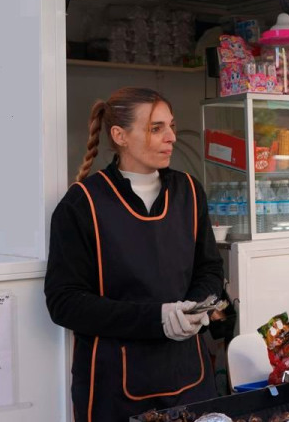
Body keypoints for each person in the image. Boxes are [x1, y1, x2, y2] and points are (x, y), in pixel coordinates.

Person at [45, 87, 230, 422]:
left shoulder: (189, 191)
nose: (172, 137)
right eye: (156, 128)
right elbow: (64, 302)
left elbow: (210, 269)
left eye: (171, 126)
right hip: (113, 389)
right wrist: (157, 319)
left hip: (190, 377)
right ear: (120, 135)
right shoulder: (82, 204)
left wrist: (196, 306)